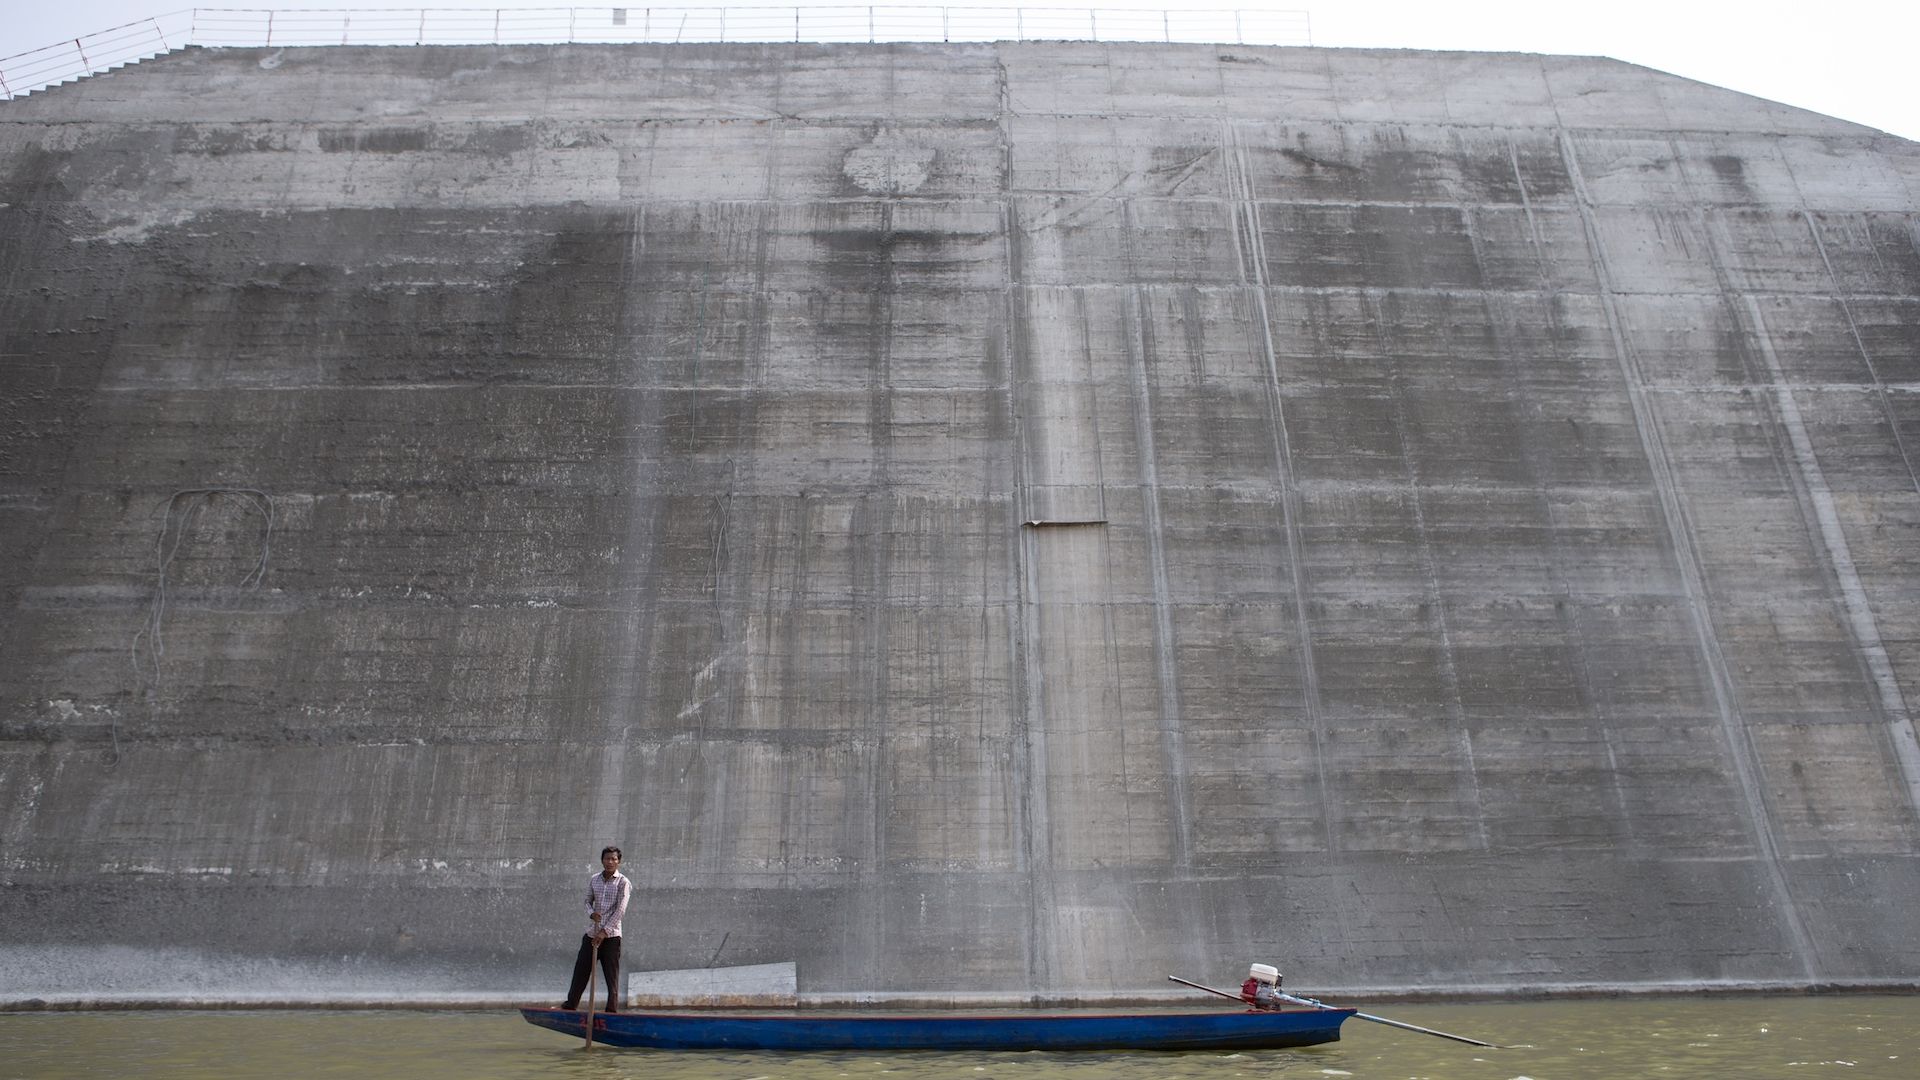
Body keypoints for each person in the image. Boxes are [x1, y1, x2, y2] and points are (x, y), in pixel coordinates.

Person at [561, 846, 631, 1012]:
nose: (610, 862)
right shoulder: (595, 879)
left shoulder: (623, 882)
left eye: (614, 859)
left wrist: (604, 931)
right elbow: (587, 901)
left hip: (612, 936)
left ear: (619, 862)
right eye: (607, 859)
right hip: (592, 933)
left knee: (611, 976)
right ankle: (570, 1006)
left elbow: (620, 910)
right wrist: (592, 914)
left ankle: (611, 1011)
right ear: (602, 860)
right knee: (581, 971)